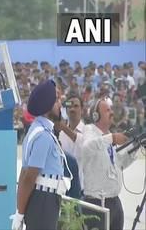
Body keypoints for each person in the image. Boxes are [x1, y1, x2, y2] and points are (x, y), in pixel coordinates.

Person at [10, 80, 72, 230]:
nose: (60, 104)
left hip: (44, 200)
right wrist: (19, 214)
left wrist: (20, 212)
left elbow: (25, 175)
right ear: (48, 105)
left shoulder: (37, 130)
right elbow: (29, 177)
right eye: (56, 100)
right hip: (44, 201)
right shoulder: (43, 136)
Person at [81, 97, 140, 230]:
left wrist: (135, 148)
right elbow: (86, 147)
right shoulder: (89, 130)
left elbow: (119, 164)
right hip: (97, 203)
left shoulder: (107, 135)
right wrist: (112, 138)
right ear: (96, 116)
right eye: (107, 110)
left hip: (114, 202)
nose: (111, 112)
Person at [56, 93, 86, 198]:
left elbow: (81, 142)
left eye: (76, 106)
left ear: (82, 109)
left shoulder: (88, 131)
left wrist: (63, 127)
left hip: (83, 191)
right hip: (64, 190)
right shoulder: (60, 134)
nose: (72, 109)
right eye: (69, 106)